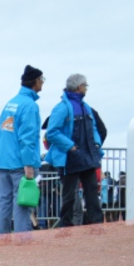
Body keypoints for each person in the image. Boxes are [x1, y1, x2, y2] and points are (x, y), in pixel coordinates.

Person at [45, 73, 104, 226]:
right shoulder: (62, 108)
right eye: (86, 86)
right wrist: (70, 146)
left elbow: (94, 128)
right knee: (69, 194)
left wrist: (97, 144)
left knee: (92, 191)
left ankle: (96, 223)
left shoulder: (86, 107)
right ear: (80, 87)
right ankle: (66, 225)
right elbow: (52, 132)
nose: (86, 89)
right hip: (69, 158)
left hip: (87, 155)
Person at [0, 65, 46, 234]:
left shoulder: (11, 103)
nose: (43, 83)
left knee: (4, 201)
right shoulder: (30, 105)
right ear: (36, 81)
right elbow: (28, 138)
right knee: (23, 201)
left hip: (3, 160)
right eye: (42, 80)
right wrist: (29, 164)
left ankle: (2, 237)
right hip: (20, 162)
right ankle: (22, 239)